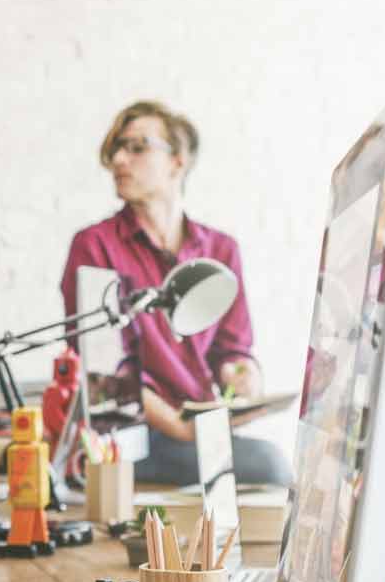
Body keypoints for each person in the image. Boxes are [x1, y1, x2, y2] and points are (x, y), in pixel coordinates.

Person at [61, 100, 292, 487]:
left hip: (198, 425)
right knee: (270, 465)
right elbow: (105, 374)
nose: (119, 159)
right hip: (133, 434)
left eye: (136, 147)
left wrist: (244, 377)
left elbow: (234, 351)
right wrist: (182, 429)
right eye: (116, 148)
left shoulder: (221, 251)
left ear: (178, 161)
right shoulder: (94, 246)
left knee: (268, 468)